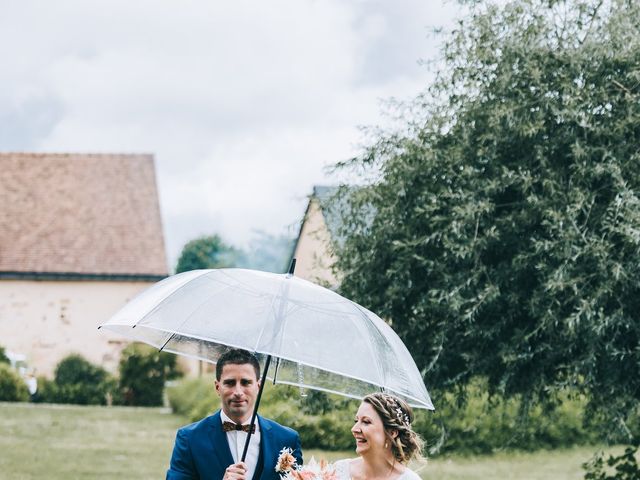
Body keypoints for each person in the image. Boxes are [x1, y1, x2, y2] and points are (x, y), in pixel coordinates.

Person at [167, 348, 303, 480]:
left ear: (258, 387)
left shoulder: (287, 440)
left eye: (246, 382)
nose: (238, 391)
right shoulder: (190, 439)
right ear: (217, 387)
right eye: (230, 383)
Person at [333, 392, 424, 480]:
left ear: (392, 433)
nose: (354, 429)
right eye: (356, 421)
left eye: (366, 422)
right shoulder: (339, 471)